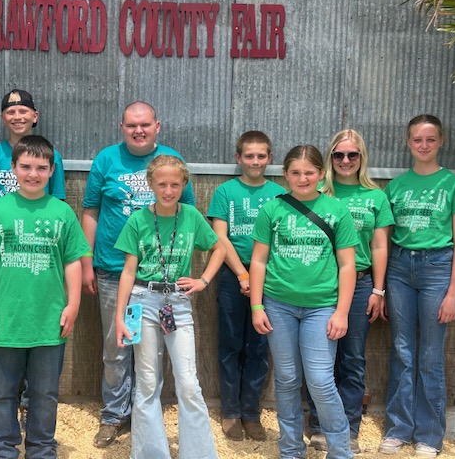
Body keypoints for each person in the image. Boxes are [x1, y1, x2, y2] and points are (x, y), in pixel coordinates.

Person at [81, 101, 196, 447]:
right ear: (122, 127)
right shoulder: (106, 160)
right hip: (115, 272)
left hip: (157, 279)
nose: (138, 130)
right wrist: (86, 260)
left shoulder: (172, 161)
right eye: (131, 125)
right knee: (117, 346)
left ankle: (147, 416)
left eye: (145, 124)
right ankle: (115, 415)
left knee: (154, 351)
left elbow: (188, 217)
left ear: (157, 126)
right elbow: (91, 211)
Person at [0, 135, 89, 459]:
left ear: (52, 170)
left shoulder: (62, 212)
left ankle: (41, 449)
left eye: (41, 167)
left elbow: (72, 261)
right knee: (2, 393)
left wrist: (73, 304)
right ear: (13, 168)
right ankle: (3, 449)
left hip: (48, 320)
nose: (33, 173)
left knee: (45, 393)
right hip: (5, 318)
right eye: (26, 166)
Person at [251, 145, 359, 459]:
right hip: (278, 305)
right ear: (285, 175)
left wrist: (341, 312)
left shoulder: (336, 210)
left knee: (321, 380)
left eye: (309, 172)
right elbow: (258, 260)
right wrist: (257, 305)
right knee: (286, 378)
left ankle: (340, 451)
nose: (302, 178)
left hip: (322, 307)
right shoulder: (273, 209)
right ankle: (290, 449)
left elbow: (347, 265)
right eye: (295, 173)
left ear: (321, 174)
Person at [114, 155, 225, 458]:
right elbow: (127, 270)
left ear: (184, 185)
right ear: (150, 184)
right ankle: (151, 453)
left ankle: (198, 453)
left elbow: (218, 248)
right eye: (161, 184)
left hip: (177, 302)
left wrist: (203, 280)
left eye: (175, 184)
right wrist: (120, 316)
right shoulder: (138, 219)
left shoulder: (190, 215)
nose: (168, 190)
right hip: (142, 299)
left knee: (188, 381)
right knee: (148, 382)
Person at [378, 115, 455, 458]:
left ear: (441, 141)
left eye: (430, 139)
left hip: (437, 268)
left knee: (431, 355)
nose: (423, 145)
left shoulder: (453, 185)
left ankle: (430, 435)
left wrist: (453, 292)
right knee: (402, 349)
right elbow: (385, 242)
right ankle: (399, 428)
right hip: (401, 268)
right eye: (417, 139)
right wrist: (383, 288)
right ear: (408, 143)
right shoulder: (397, 187)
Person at [307, 130, 394, 454]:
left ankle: (349, 429)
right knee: (319, 360)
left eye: (352, 155)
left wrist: (378, 289)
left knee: (353, 359)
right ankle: (317, 426)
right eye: (338, 155)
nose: (345, 161)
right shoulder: (317, 193)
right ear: (329, 158)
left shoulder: (376, 197)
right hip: (321, 284)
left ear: (362, 158)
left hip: (359, 285)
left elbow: (380, 244)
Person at [206, 130, 286, 441]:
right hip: (232, 276)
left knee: (259, 347)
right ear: (239, 158)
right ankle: (230, 412)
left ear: (270, 158)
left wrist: (256, 278)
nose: (255, 161)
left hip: (268, 279)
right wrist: (242, 274)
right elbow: (220, 238)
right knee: (230, 345)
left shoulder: (280, 194)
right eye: (249, 155)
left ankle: (251, 413)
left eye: (261, 156)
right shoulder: (225, 192)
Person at [0, 89, 66, 209]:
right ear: (3, 118)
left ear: (35, 116)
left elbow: (58, 199)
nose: (17, 117)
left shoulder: (51, 155)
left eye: (23, 111)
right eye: (11, 112)